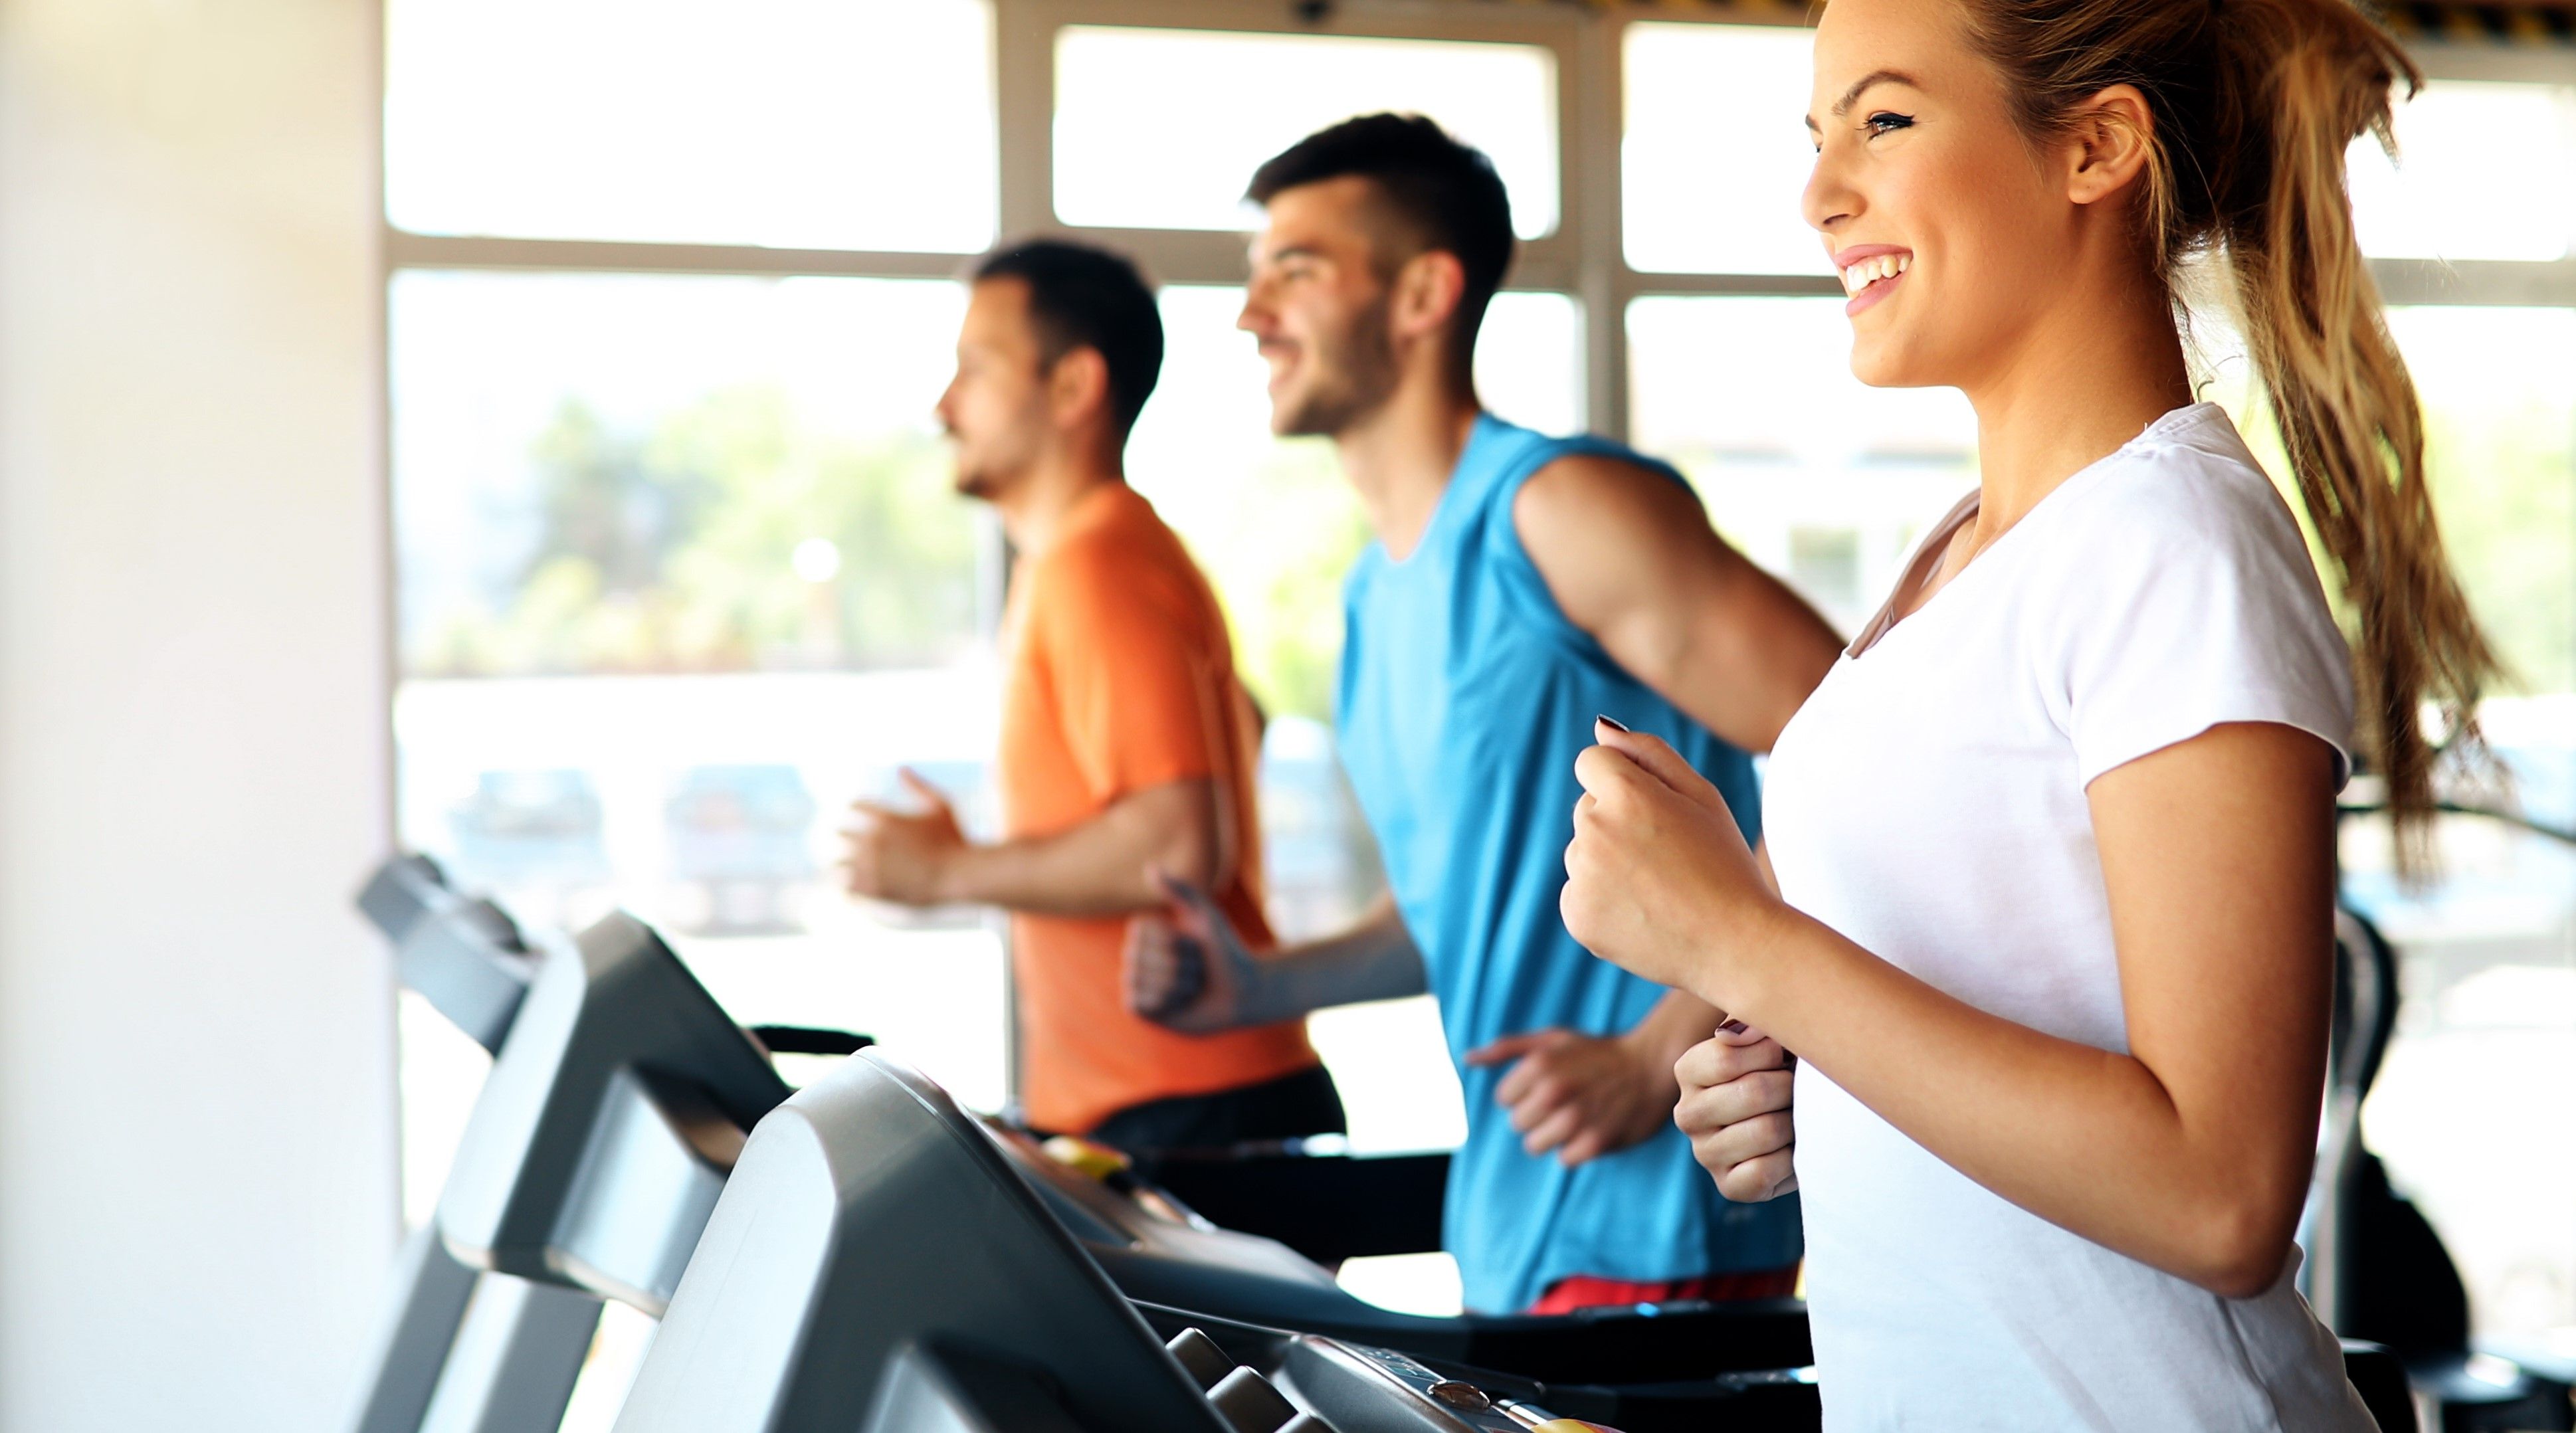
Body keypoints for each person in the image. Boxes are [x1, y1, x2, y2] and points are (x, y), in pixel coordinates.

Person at [1561, 0, 2498, 1426]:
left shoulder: (2171, 542)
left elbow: (2220, 1190)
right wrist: (1815, 1088)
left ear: (2096, 147)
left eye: (1882, 120)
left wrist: (1742, 942)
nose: (1820, 194)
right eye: (1815, 138)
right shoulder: (1960, 549)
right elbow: (2005, 1014)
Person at [1124, 114, 1845, 1315]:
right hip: (1510, 1217)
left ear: (1421, 294)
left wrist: (1657, 1040)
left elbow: (1855, 741)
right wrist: (1261, 986)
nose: (1252, 315)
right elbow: (1457, 906)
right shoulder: (1373, 593)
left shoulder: (1558, 509)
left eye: (1295, 271)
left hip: (1658, 1215)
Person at [842, 239, 1343, 1153]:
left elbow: (1177, 842)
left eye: (974, 370)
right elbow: (1242, 730)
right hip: (1170, 1100)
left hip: (1191, 1106)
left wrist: (946, 870)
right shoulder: (1095, 556)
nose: (941, 406)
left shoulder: (1095, 563)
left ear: (1073, 386)